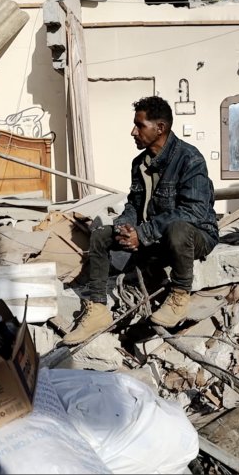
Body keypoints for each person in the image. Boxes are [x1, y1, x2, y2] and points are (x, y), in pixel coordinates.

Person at [62, 96, 219, 345]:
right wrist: (127, 226)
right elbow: (134, 205)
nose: (133, 131)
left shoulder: (190, 159)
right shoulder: (140, 164)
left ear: (160, 128)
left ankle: (179, 297)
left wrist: (144, 233)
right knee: (101, 234)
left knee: (178, 229)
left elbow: (195, 212)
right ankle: (97, 311)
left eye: (140, 125)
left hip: (195, 235)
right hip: (156, 235)